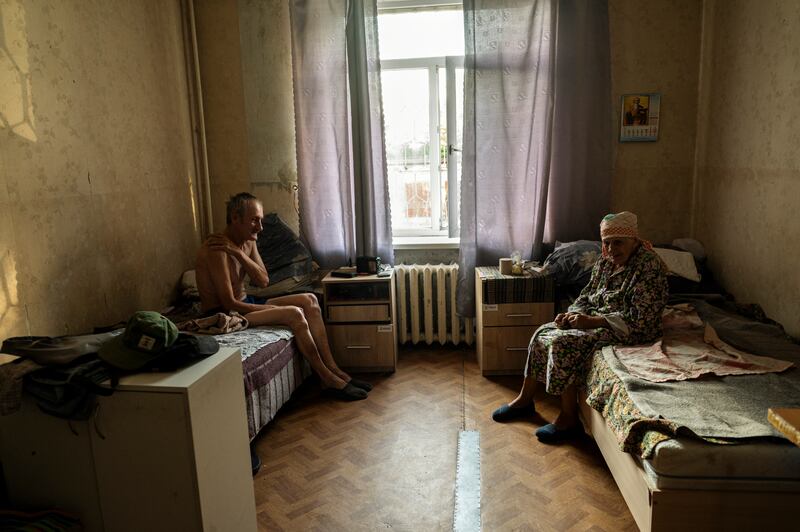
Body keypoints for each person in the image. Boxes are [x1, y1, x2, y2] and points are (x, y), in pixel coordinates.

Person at [491, 211, 668, 443]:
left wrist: (593, 321)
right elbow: (587, 295)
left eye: (618, 243)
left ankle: (569, 419)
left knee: (564, 343)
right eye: (607, 243)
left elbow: (641, 318)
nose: (612, 249)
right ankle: (525, 400)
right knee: (543, 332)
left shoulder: (649, 267)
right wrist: (572, 313)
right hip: (596, 318)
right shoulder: (606, 261)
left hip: (631, 329)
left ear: (634, 240)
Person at [196, 192, 370, 401]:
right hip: (227, 313)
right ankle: (327, 379)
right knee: (295, 314)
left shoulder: (247, 243)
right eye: (254, 220)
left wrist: (239, 253)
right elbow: (228, 302)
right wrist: (272, 310)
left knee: (310, 300)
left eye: (260, 220)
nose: (260, 227)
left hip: (245, 303)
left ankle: (335, 369)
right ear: (235, 217)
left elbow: (263, 281)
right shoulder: (217, 249)